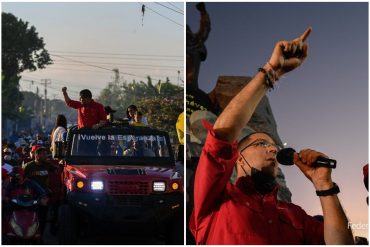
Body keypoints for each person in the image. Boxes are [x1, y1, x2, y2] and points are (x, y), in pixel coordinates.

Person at [189, 27, 354, 244]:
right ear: (238, 156)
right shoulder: (216, 199)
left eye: (272, 145)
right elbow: (221, 134)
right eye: (260, 143)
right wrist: (271, 72)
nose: (273, 149)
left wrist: (324, 185)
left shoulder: (295, 215)